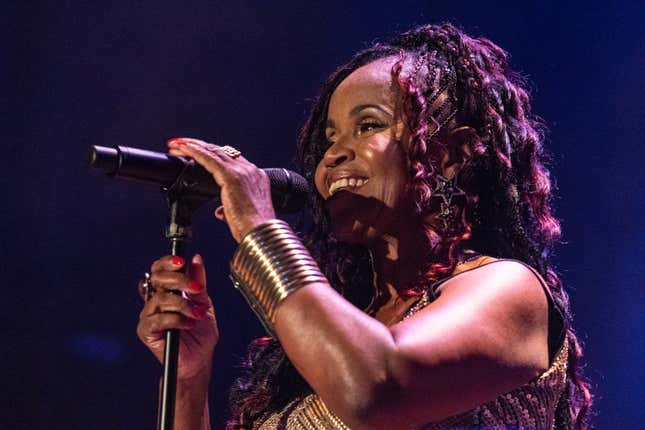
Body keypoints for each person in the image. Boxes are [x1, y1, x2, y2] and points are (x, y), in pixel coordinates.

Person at [136, 23, 592, 429]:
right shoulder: (338, 330)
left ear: (454, 154)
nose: (332, 153)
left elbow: (374, 389)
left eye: (367, 125)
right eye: (330, 137)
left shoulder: (508, 290)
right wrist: (189, 380)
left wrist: (259, 226)